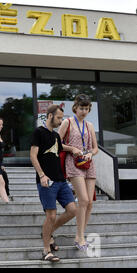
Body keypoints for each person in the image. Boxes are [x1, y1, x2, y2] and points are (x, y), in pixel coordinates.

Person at [30, 104, 77, 263]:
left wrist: (72, 149)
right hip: (47, 181)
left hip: (61, 180)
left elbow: (59, 147)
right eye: (58, 118)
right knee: (50, 215)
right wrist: (42, 175)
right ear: (50, 116)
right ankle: (46, 251)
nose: (60, 120)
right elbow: (33, 156)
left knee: (72, 210)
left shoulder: (56, 135)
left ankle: (48, 233)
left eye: (62, 118)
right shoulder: (38, 132)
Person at [58, 94, 98, 251]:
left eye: (87, 108)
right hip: (73, 163)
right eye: (82, 108)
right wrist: (71, 148)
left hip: (87, 163)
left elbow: (95, 148)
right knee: (83, 200)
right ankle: (80, 237)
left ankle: (80, 235)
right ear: (75, 108)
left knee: (89, 203)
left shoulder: (89, 125)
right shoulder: (67, 122)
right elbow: (57, 143)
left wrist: (90, 153)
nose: (84, 111)